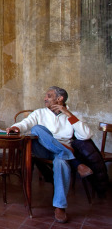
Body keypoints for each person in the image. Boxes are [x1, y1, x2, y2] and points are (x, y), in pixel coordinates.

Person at [6, 86, 93, 224]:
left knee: (61, 162)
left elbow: (86, 135)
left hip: (61, 153)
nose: (45, 98)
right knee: (36, 129)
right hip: (44, 149)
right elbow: (26, 123)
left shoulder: (72, 114)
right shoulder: (40, 113)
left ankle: (60, 207)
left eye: (49, 95)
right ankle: (75, 163)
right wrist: (16, 127)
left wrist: (68, 114)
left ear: (60, 99)